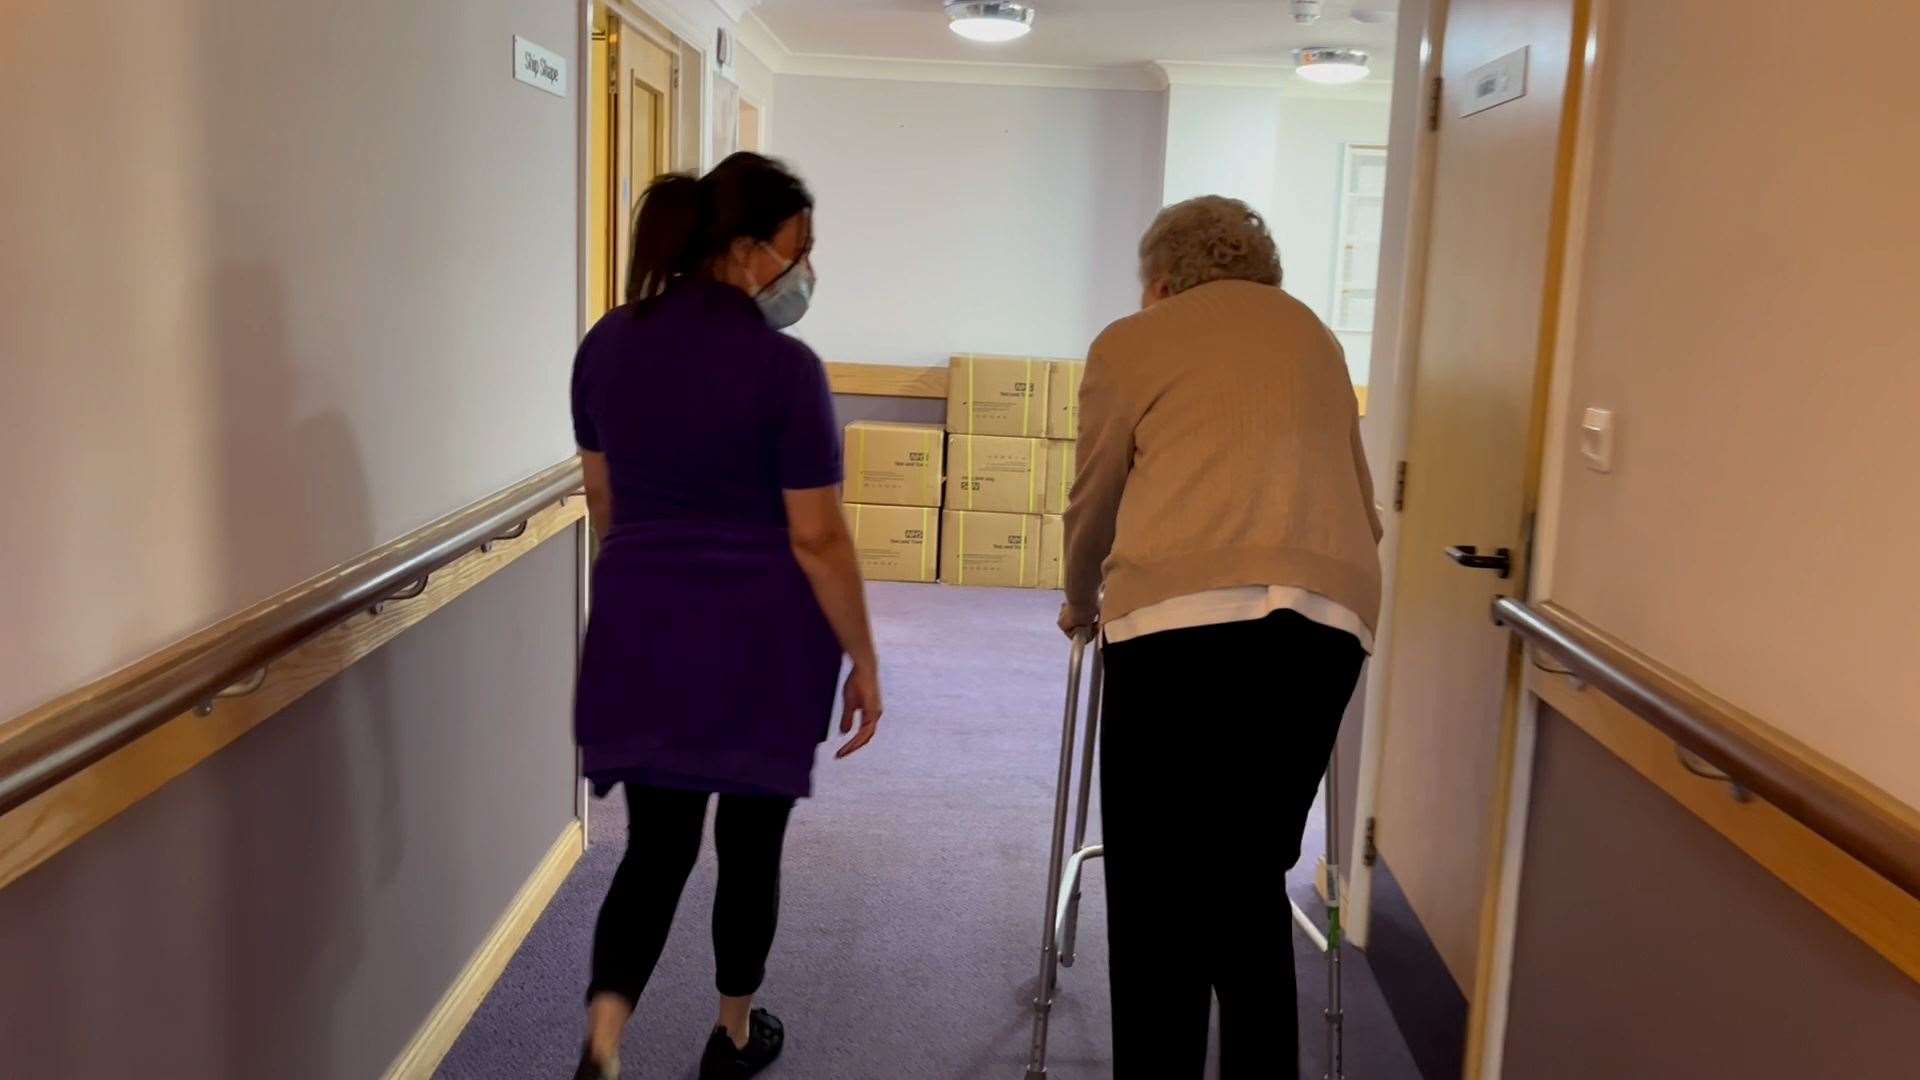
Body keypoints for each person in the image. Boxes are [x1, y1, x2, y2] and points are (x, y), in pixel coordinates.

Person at [569, 152, 882, 1080]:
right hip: (760, 640)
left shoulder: (608, 342)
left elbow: (600, 496)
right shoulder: (784, 369)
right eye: (799, 249)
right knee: (751, 844)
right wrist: (863, 658)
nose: (804, 271)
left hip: (642, 625)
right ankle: (734, 1034)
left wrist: (641, 586)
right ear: (747, 251)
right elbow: (819, 537)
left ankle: (604, 1040)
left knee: (655, 848)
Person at [1058, 195, 1384, 1077]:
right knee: (1245, 876)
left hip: (1174, 624)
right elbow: (1363, 506)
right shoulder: (1313, 335)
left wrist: (1078, 597)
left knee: (1156, 879)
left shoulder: (1133, 340)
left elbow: (1095, 496)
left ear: (1160, 281)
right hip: (1326, 625)